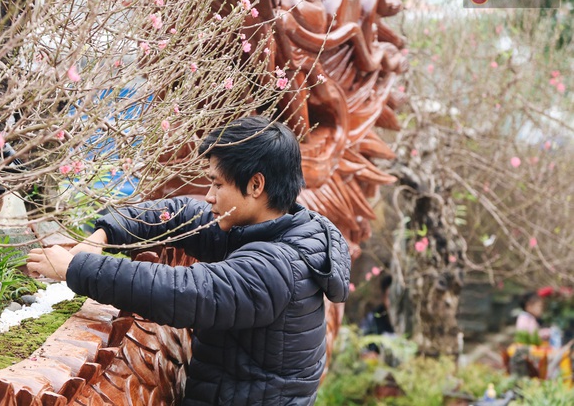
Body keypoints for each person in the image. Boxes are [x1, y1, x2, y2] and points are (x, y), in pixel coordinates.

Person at [27, 116, 351, 405]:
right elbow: (179, 214)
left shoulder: (277, 266)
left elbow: (181, 291)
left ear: (256, 185)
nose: (209, 195)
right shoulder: (265, 227)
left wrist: (73, 268)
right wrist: (104, 234)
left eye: (218, 184)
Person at [360, 274, 394, 354]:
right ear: (383, 297)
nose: (392, 302)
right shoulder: (372, 318)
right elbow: (361, 345)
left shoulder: (405, 319)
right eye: (389, 296)